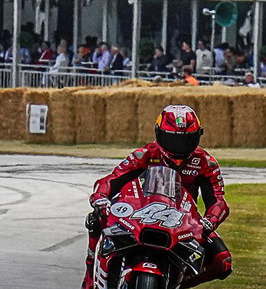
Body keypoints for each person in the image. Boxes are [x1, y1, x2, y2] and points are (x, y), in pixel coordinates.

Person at [83, 105, 232, 289]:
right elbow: (111, 180)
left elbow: (218, 200)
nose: (179, 147)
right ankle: (91, 275)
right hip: (138, 213)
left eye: (186, 140)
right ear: (159, 134)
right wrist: (100, 198)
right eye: (173, 139)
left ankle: (179, 282)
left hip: (182, 220)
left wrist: (210, 221)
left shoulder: (205, 162)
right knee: (96, 218)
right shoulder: (145, 154)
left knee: (223, 262)